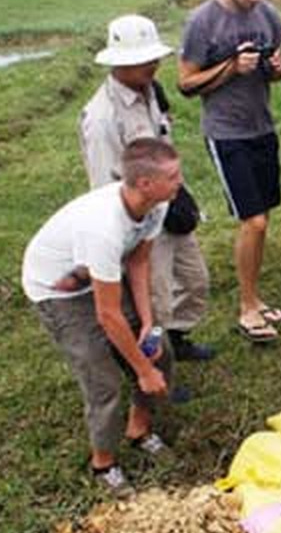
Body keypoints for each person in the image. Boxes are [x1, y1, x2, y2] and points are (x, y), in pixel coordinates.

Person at [22, 138, 183, 497]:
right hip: (58, 292)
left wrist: (146, 323)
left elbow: (139, 262)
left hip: (101, 276)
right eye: (173, 176)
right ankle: (103, 464)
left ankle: (139, 430)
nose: (180, 182)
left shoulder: (156, 206)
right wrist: (142, 370)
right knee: (104, 378)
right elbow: (107, 315)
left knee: (162, 351)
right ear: (145, 183)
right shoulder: (103, 228)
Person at [79, 14, 214, 364]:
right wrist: (131, 236)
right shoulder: (102, 118)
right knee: (153, 300)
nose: (151, 66)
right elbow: (102, 187)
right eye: (141, 61)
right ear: (119, 64)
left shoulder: (150, 91)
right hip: (139, 218)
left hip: (167, 207)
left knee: (195, 280)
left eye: (153, 58)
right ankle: (157, 367)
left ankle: (177, 338)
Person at [177, 0, 281, 343]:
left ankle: (255, 297)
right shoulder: (203, 22)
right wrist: (229, 68)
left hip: (262, 126)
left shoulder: (269, 16)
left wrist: (275, 69)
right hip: (226, 132)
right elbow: (186, 83)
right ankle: (246, 308)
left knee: (263, 218)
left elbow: (278, 66)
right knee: (252, 220)